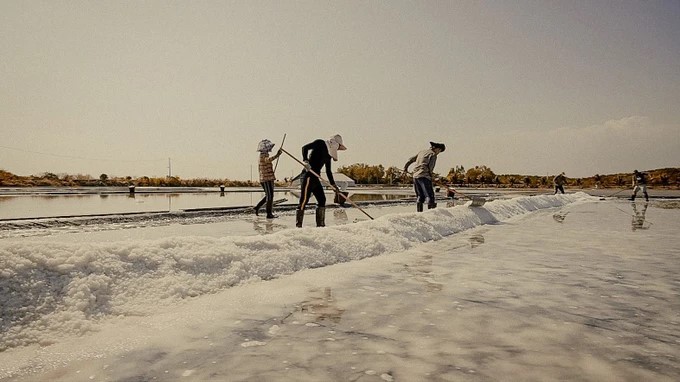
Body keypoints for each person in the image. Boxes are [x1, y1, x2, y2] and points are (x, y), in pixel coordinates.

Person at [296, 134, 347, 227]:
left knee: (322, 200)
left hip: (315, 178)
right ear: (334, 143)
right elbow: (305, 148)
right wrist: (306, 161)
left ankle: (320, 225)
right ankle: (298, 225)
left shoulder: (329, 155)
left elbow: (328, 171)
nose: (338, 149)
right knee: (304, 200)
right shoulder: (320, 143)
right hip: (308, 175)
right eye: (339, 147)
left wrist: (333, 185)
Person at [403, 142, 446, 212]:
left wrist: (405, 168)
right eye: (440, 151)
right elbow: (430, 168)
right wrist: (432, 177)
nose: (439, 153)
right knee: (430, 196)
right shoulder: (433, 154)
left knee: (420, 196)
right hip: (424, 177)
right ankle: (432, 216)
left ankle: (419, 214)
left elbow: (410, 160)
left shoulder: (422, 152)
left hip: (415, 177)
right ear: (437, 148)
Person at [254, 139, 282, 219]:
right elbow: (267, 160)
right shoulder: (263, 155)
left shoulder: (265, 154)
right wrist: (277, 155)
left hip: (269, 178)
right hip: (265, 179)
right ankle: (269, 214)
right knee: (269, 196)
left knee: (269, 195)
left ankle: (257, 207)